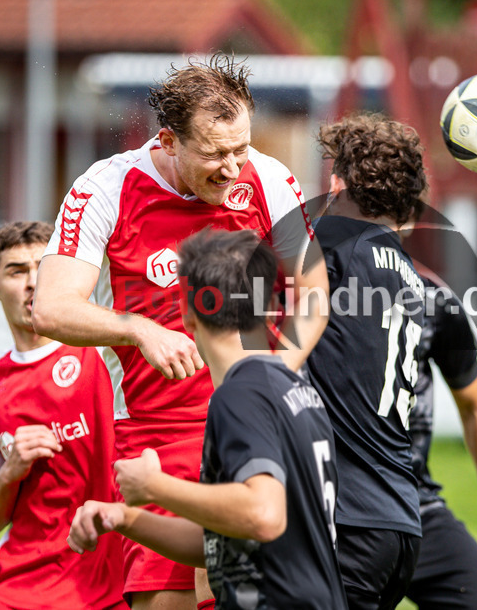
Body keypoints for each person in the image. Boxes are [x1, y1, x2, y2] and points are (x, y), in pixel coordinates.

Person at [33, 54, 327, 610]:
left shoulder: (268, 178)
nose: (234, 166)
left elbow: (315, 292)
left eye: (241, 146)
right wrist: (136, 329)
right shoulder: (108, 186)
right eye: (215, 154)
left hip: (256, 426)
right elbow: (49, 309)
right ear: (168, 141)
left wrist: (275, 373)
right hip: (157, 429)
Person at [68, 229, 346, 610]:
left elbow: (263, 515)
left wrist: (154, 487)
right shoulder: (291, 388)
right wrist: (126, 519)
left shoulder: (240, 396)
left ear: (186, 313)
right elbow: (223, 539)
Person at [0, 221, 125, 609]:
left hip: (106, 586)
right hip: (20, 587)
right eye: (17, 271)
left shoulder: (105, 354)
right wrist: (11, 470)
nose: (33, 282)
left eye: (43, 268)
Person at [303, 113, 428, 609]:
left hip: (348, 520)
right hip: (400, 521)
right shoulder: (409, 273)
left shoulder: (335, 238)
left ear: (337, 182)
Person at [404, 271, 477, 609]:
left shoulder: (432, 299)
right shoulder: (318, 290)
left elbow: (475, 407)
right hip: (336, 510)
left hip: (414, 502)